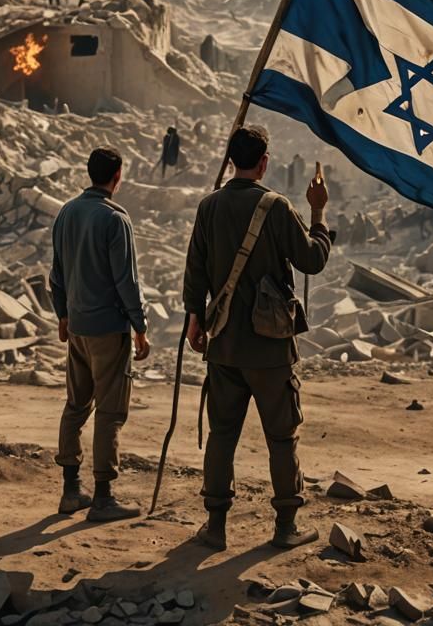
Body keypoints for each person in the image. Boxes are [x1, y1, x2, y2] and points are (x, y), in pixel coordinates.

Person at [182, 125, 331, 551]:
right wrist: (318, 213)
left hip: (224, 345)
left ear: (231, 160)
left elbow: (195, 271)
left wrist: (195, 320)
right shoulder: (277, 207)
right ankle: (286, 527)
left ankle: (214, 528)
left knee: (221, 435)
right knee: (282, 438)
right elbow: (312, 260)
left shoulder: (209, 207)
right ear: (263, 162)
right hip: (269, 349)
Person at [50, 147, 151, 521]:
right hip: (108, 329)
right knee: (109, 411)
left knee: (76, 405)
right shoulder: (114, 219)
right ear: (117, 176)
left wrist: (62, 314)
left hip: (77, 327)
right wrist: (140, 327)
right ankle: (105, 496)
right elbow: (126, 281)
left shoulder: (67, 213)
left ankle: (71, 489)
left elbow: (56, 273)